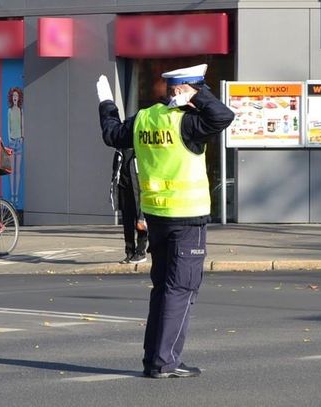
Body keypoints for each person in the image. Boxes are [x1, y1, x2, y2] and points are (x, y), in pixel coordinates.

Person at [97, 64, 234, 379]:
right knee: (182, 289)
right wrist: (198, 97)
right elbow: (223, 115)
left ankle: (155, 359)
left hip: (157, 216)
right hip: (187, 219)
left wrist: (106, 104)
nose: (200, 93)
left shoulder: (146, 117)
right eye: (198, 87)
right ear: (187, 89)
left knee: (163, 288)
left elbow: (112, 133)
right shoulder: (187, 122)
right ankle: (164, 362)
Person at [111, 147, 148, 264]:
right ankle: (129, 252)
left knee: (140, 222)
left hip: (137, 190)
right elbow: (115, 171)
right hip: (124, 189)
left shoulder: (139, 150)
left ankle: (141, 252)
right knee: (127, 223)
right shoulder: (119, 151)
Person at [7, 87, 24, 206]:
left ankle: (16, 195)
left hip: (19, 142)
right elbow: (8, 126)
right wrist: (9, 139)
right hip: (12, 142)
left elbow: (23, 125)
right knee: (11, 170)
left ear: (19, 98)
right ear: (11, 97)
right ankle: (12, 194)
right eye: (13, 96)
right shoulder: (9, 111)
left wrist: (23, 137)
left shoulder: (21, 110)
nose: (15, 98)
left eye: (16, 96)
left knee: (18, 171)